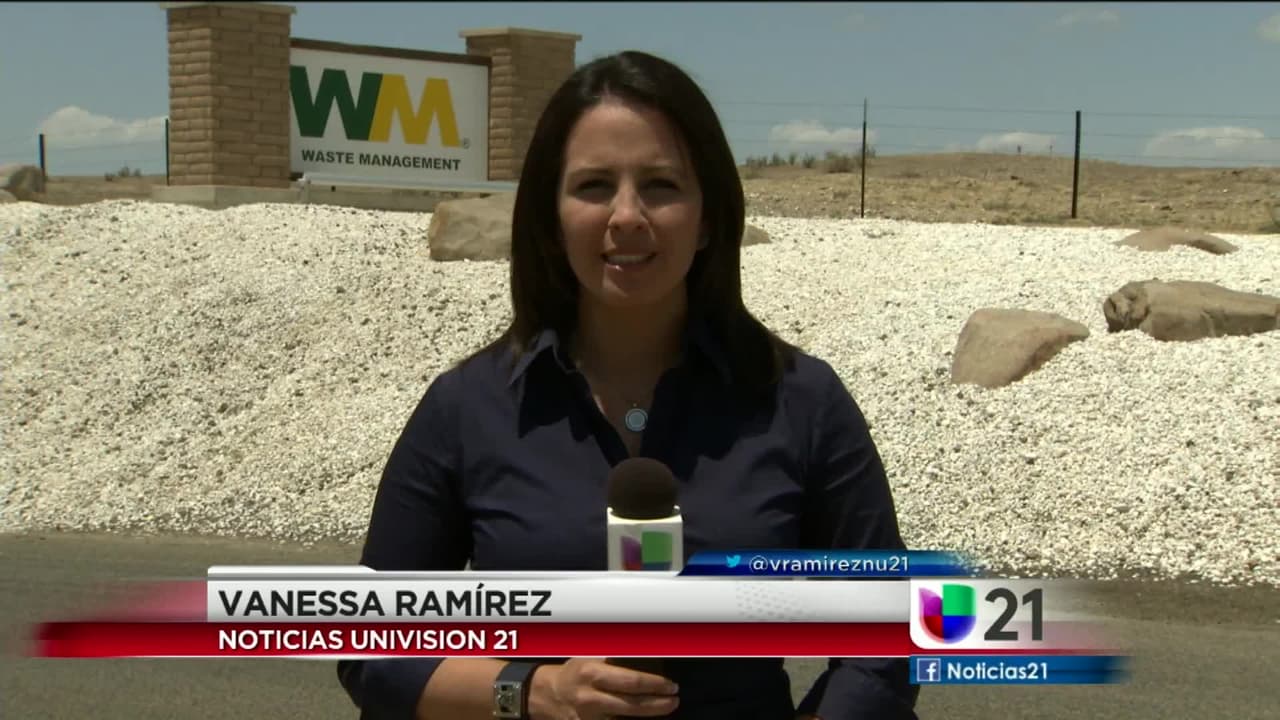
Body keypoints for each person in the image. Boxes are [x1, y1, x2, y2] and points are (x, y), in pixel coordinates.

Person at [337, 50, 919, 720]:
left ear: (708, 216)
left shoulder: (801, 402)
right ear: (550, 218)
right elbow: (372, 649)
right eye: (593, 186)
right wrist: (531, 692)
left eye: (661, 185)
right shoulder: (467, 409)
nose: (627, 215)